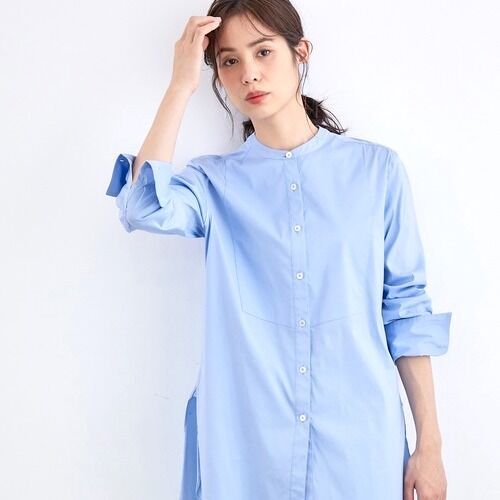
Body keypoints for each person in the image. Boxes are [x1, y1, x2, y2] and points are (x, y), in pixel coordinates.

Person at [105, 1, 452, 499]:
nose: (249, 73)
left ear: (300, 53)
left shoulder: (376, 172)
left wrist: (429, 446)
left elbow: (407, 310)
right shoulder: (213, 184)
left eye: (263, 51)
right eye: (229, 61)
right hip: (247, 452)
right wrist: (180, 84)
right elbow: (141, 208)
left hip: (359, 447)